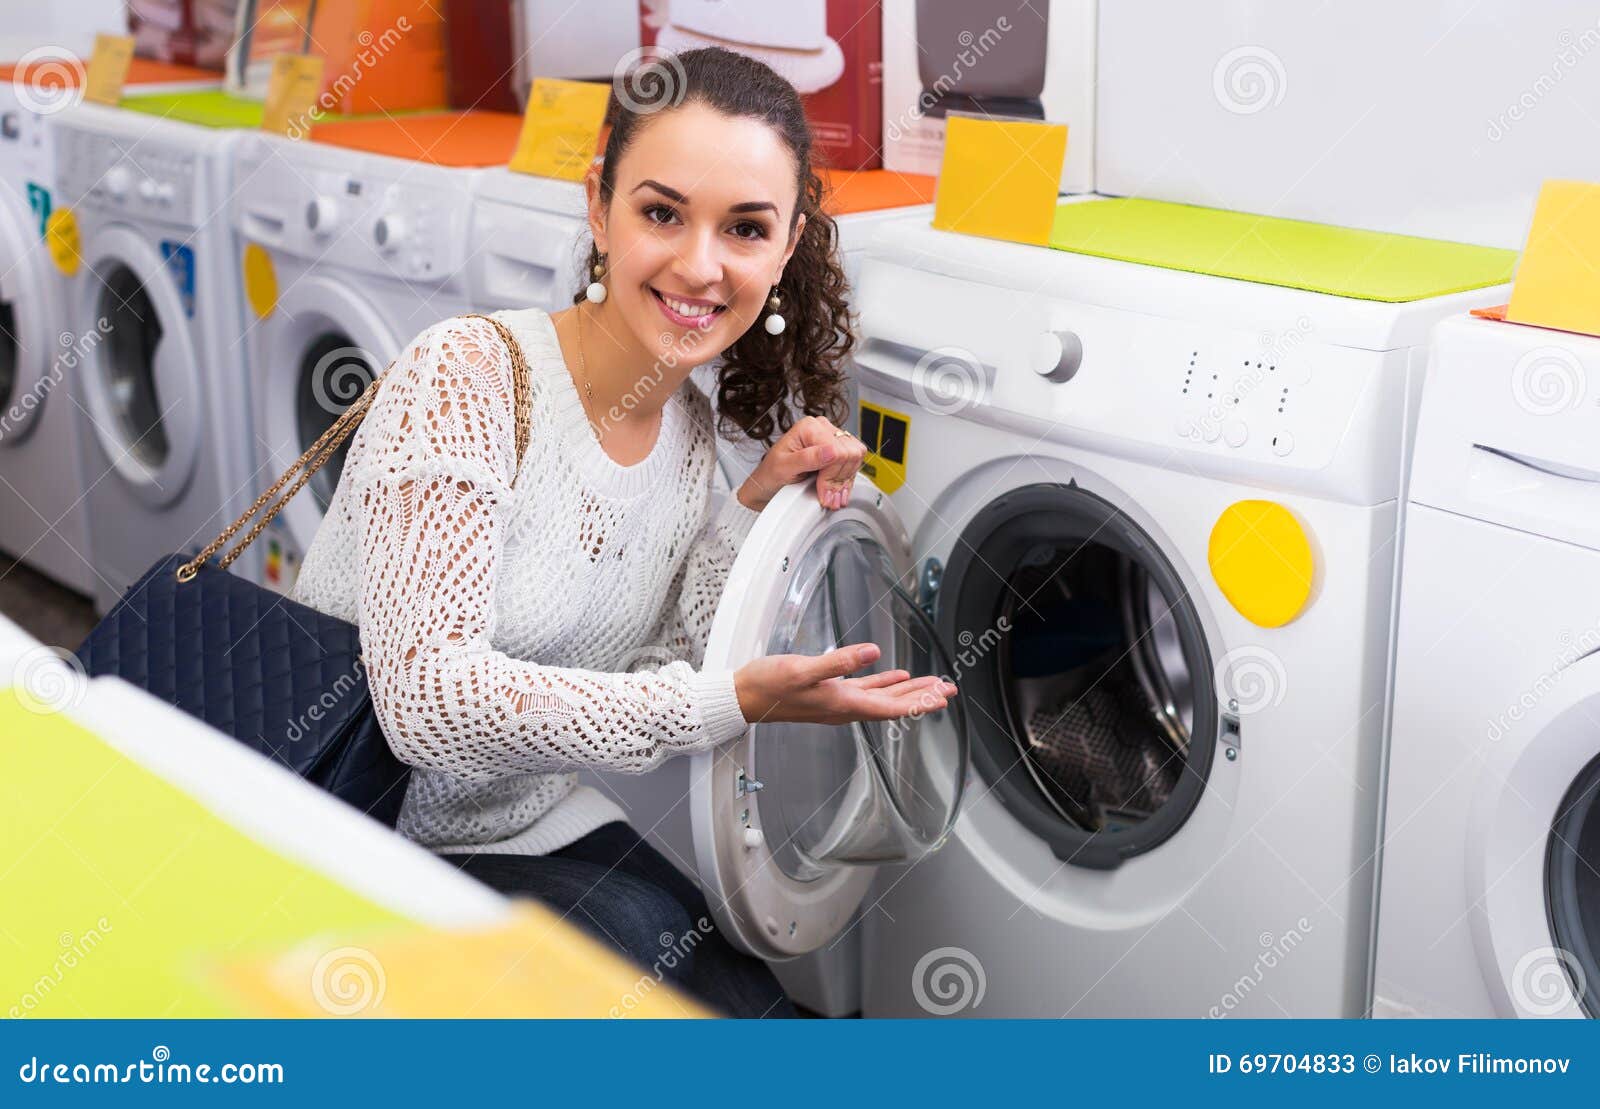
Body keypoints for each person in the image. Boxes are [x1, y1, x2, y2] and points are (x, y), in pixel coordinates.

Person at [291, 47, 957, 1017]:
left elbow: (648, 661)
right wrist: (727, 702)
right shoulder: (466, 379)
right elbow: (427, 703)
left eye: (744, 228)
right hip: (357, 834)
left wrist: (751, 503)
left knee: (761, 1007)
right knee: (658, 995)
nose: (698, 263)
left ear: (785, 247)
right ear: (599, 205)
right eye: (661, 212)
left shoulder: (686, 431)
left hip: (526, 818)